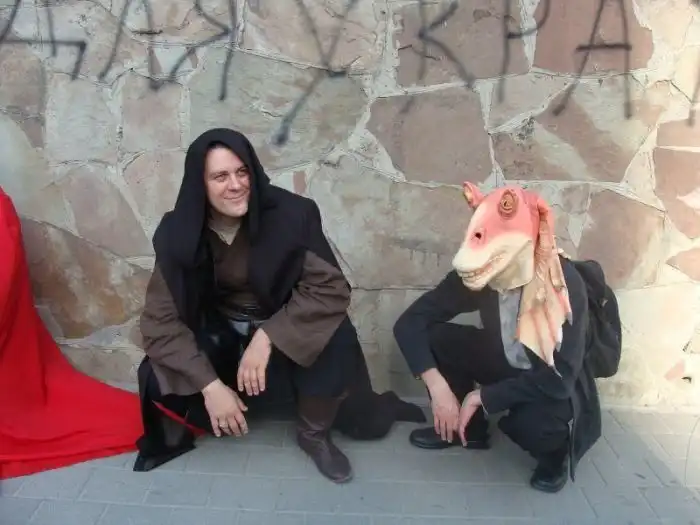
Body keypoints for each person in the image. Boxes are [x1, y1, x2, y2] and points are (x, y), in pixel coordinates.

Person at [132, 128, 425, 483]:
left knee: (337, 336)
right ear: (200, 184)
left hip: (284, 332)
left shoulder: (291, 215)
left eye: (242, 172)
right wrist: (210, 385)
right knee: (157, 371)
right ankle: (213, 414)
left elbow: (330, 289)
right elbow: (160, 322)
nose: (236, 185)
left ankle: (314, 434)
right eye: (220, 176)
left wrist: (268, 335)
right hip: (223, 338)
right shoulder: (178, 232)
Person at [393, 181, 602, 493]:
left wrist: (482, 397)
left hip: (548, 378)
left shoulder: (563, 283)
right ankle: (467, 429)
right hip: (505, 356)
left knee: (532, 426)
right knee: (437, 337)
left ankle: (554, 455)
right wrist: (438, 387)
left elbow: (559, 379)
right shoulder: (483, 273)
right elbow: (410, 323)